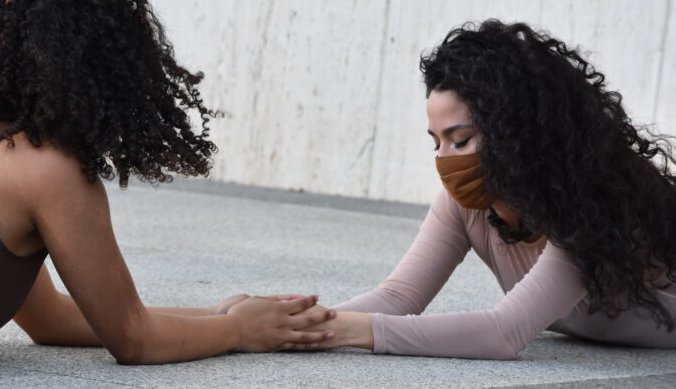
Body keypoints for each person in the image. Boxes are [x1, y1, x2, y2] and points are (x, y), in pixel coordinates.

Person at [0, 0, 335, 370]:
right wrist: (239, 333)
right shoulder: (48, 169)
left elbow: (50, 320)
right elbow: (134, 339)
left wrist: (218, 315)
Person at [289, 20, 676, 358]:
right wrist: (297, 324)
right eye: (435, 142)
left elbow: (502, 333)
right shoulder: (466, 205)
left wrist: (347, 332)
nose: (444, 158)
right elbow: (397, 298)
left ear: (515, 133)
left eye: (460, 140)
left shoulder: (589, 207)